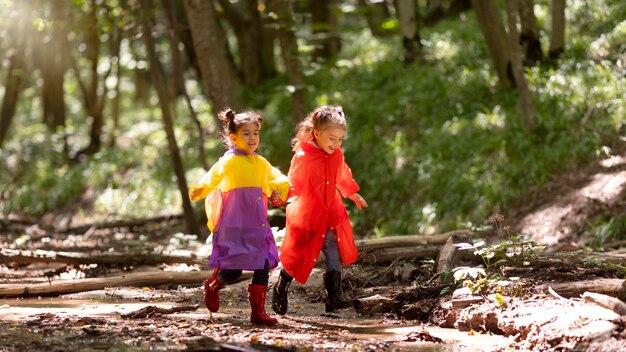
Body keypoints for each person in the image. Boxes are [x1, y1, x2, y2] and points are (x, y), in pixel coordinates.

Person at [189, 108, 289, 325]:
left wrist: (279, 188)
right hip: (234, 225)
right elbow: (213, 177)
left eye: (256, 133)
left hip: (258, 224)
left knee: (263, 265)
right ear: (234, 137)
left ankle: (258, 313)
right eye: (246, 133)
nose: (252, 138)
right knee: (233, 272)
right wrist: (201, 188)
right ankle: (215, 283)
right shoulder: (229, 162)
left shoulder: (261, 162)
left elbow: (277, 177)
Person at [272, 105, 368, 315]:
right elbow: (293, 182)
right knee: (298, 256)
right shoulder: (303, 156)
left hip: (331, 213)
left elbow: (342, 174)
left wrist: (351, 192)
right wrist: (281, 195)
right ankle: (281, 285)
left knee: (335, 254)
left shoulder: (336, 154)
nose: (336, 144)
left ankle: (333, 297)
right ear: (316, 133)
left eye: (340, 139)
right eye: (332, 138)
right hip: (308, 216)